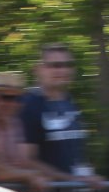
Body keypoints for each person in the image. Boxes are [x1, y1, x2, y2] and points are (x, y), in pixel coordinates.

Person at [0, 71, 61, 192]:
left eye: (17, 99)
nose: (11, 103)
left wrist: (70, 178)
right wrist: (29, 176)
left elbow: (25, 162)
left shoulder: (16, 124)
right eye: (5, 97)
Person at [18, 43, 99, 179]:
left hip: (76, 189)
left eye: (68, 65)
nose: (63, 70)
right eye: (55, 65)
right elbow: (25, 160)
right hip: (46, 190)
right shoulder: (28, 104)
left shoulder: (70, 102)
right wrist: (68, 179)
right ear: (38, 69)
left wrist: (88, 176)